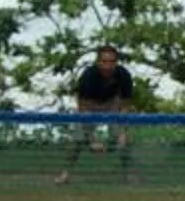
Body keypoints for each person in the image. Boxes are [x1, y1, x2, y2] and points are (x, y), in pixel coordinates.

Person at [57, 43, 137, 184]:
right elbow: (82, 107)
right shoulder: (88, 75)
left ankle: (129, 174)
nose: (108, 66)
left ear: (116, 63)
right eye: (104, 61)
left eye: (112, 62)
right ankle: (65, 174)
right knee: (77, 140)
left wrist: (123, 130)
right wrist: (92, 139)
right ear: (98, 62)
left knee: (125, 141)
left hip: (113, 106)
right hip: (90, 107)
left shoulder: (123, 74)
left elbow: (125, 104)